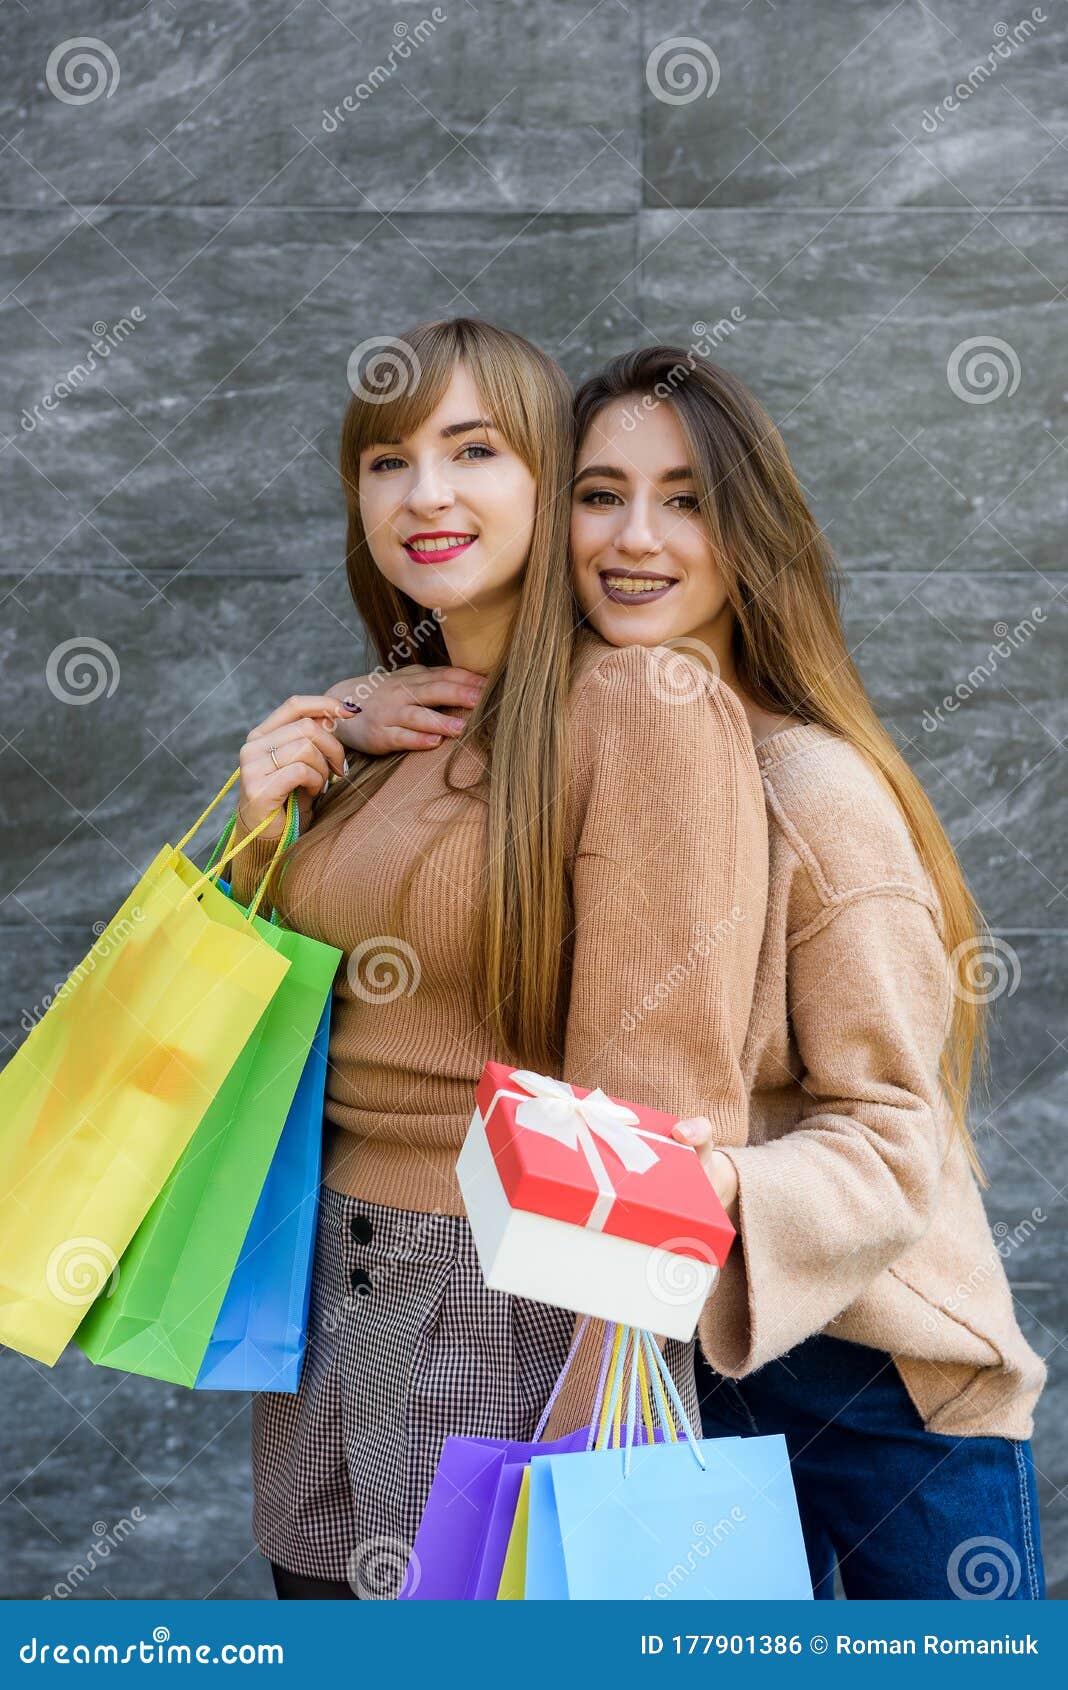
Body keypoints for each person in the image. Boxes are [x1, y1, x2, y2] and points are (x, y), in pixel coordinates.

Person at [330, 343, 1048, 1601]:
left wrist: (673, 1182)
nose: (633, 537)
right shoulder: (571, 741)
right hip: (691, 1340)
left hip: (875, 1378)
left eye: (687, 500)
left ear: (748, 536)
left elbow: (891, 1138)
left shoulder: (818, 793)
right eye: (601, 493)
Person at [225, 320, 769, 1599]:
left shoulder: (640, 707)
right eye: (387, 461)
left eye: (475, 451)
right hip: (321, 1297)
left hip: (499, 1310)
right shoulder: (389, 724)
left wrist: (602, 1417)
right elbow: (272, 1022)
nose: (426, 494)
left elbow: (659, 1100)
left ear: (545, 478)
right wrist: (271, 812)